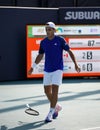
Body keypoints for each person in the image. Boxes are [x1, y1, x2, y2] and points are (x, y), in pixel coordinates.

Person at [28, 22, 81, 123]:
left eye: (49, 29)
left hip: (58, 69)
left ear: (54, 30)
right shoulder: (43, 42)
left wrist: (76, 64)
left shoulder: (60, 40)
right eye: (46, 29)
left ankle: (50, 113)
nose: (47, 31)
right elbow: (40, 55)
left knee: (55, 90)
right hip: (47, 69)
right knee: (47, 91)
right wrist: (32, 67)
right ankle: (56, 106)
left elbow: (69, 51)